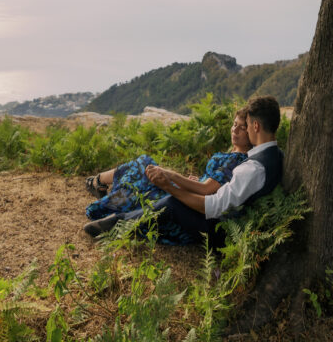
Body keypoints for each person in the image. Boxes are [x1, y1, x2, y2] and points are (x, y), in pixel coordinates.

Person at [83, 95, 284, 246]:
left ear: (256, 126)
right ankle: (115, 211)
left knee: (172, 202)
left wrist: (170, 185)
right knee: (162, 189)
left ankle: (118, 224)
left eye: (246, 126)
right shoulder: (275, 154)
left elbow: (213, 205)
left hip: (220, 231)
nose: (244, 130)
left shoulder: (252, 167)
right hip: (228, 220)